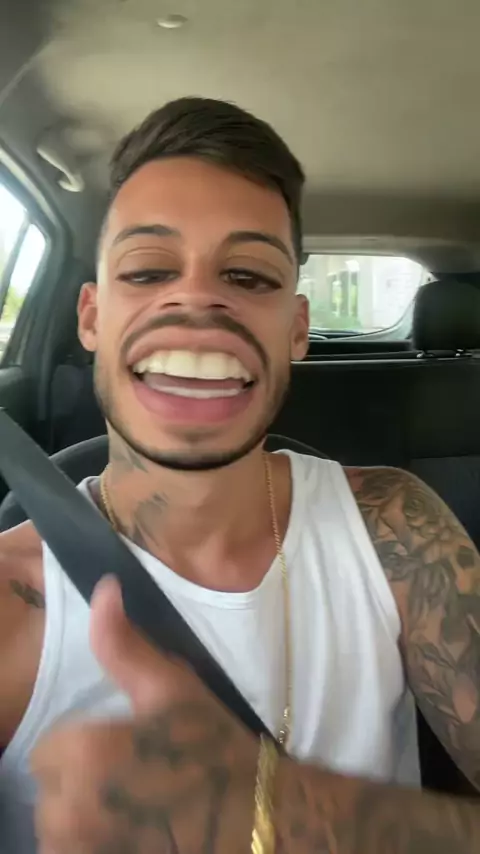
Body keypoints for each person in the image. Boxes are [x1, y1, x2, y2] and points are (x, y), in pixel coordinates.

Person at [0, 97, 478, 854]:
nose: (196, 299)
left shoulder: (398, 530)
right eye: (148, 270)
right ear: (91, 317)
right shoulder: (11, 601)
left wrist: (298, 813)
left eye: (249, 276)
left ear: (297, 331)